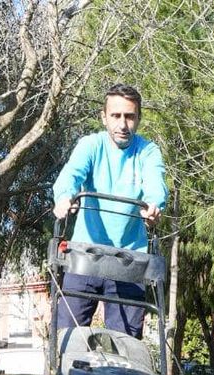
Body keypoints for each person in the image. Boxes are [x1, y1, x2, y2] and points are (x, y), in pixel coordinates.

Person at [52, 83, 167, 340]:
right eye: (116, 116)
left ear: (138, 118)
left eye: (129, 116)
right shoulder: (91, 146)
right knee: (67, 336)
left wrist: (152, 206)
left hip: (129, 261)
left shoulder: (148, 152)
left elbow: (155, 184)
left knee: (126, 343)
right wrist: (64, 198)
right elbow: (70, 175)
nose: (122, 124)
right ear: (104, 117)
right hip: (85, 256)